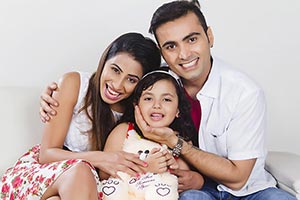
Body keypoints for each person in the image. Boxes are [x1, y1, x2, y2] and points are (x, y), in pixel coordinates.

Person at [38, 1, 297, 200]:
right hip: (188, 187)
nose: (184, 54)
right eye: (171, 46)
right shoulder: (156, 82)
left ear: (210, 37)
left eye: (192, 39)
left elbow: (239, 179)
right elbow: (114, 81)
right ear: (162, 52)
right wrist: (54, 92)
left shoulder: (244, 93)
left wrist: (175, 144)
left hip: (248, 189)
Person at [0, 32, 163, 200]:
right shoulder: (75, 84)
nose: (117, 84)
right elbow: (46, 154)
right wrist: (99, 158)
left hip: (85, 188)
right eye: (115, 70)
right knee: (81, 170)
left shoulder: (138, 111)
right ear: (105, 60)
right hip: (44, 174)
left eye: (131, 80)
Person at [100, 68, 204, 199]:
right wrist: (144, 167)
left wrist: (198, 180)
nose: (157, 105)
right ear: (136, 105)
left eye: (166, 100)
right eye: (148, 98)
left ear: (178, 109)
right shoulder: (124, 131)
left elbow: (184, 175)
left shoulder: (181, 141)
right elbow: (104, 174)